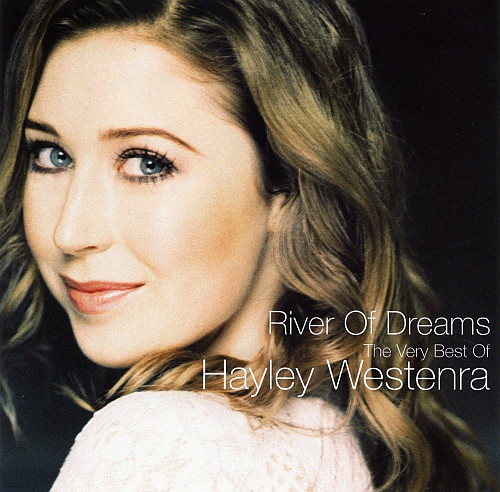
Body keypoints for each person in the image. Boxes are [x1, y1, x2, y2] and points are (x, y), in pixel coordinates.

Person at [0, 0, 492, 490]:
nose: (70, 232)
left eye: (147, 163)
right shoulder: (325, 437)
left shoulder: (157, 445)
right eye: (51, 155)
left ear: (289, 185)